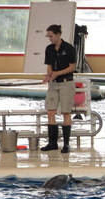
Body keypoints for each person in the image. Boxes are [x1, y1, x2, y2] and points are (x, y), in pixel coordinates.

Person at [41, 24, 77, 153]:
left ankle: (66, 144)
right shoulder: (49, 49)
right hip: (54, 84)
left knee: (66, 112)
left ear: (58, 34)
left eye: (51, 36)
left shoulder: (69, 48)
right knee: (50, 111)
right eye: (48, 36)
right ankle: (52, 143)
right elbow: (49, 65)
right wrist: (49, 75)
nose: (49, 38)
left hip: (66, 83)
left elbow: (71, 67)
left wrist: (57, 73)